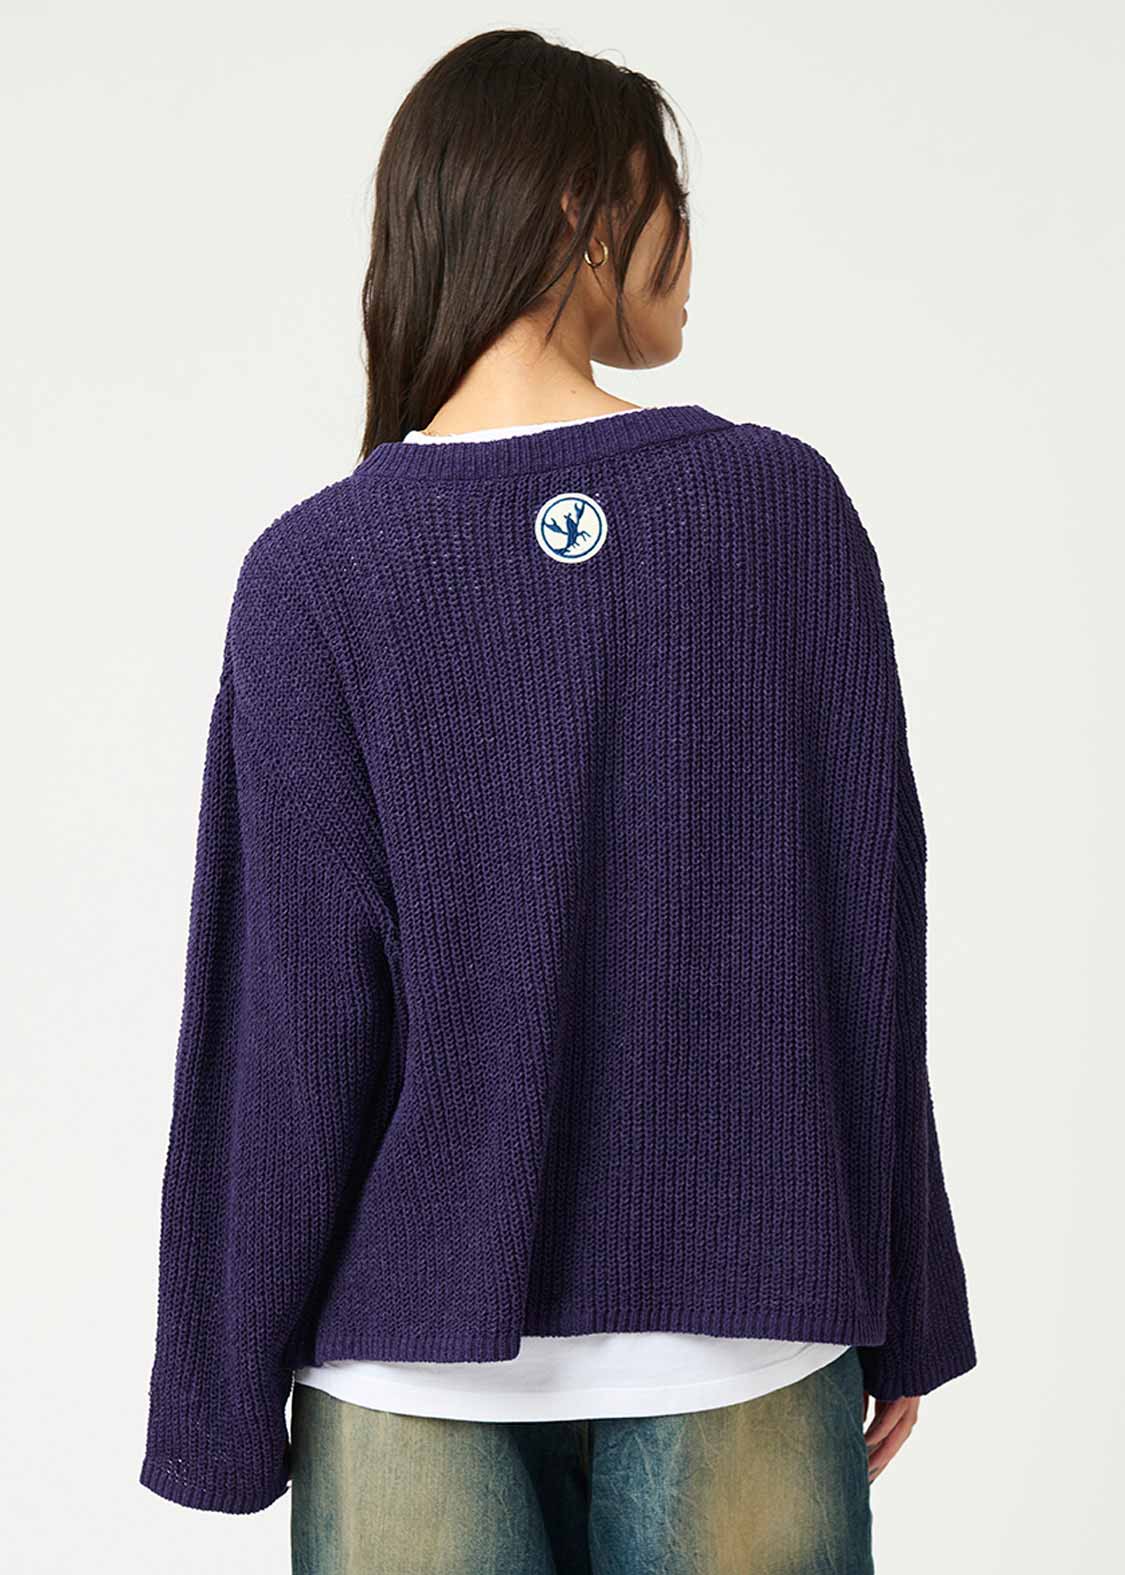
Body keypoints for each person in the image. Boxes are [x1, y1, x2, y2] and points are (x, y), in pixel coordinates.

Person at [139, 27, 977, 1574]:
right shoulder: (778, 511)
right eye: (671, 203)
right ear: (587, 211)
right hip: (744, 1337)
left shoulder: (319, 573)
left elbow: (287, 1026)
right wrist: (905, 1302)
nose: (687, 250)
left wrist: (217, 1404)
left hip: (402, 1365)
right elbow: (866, 942)